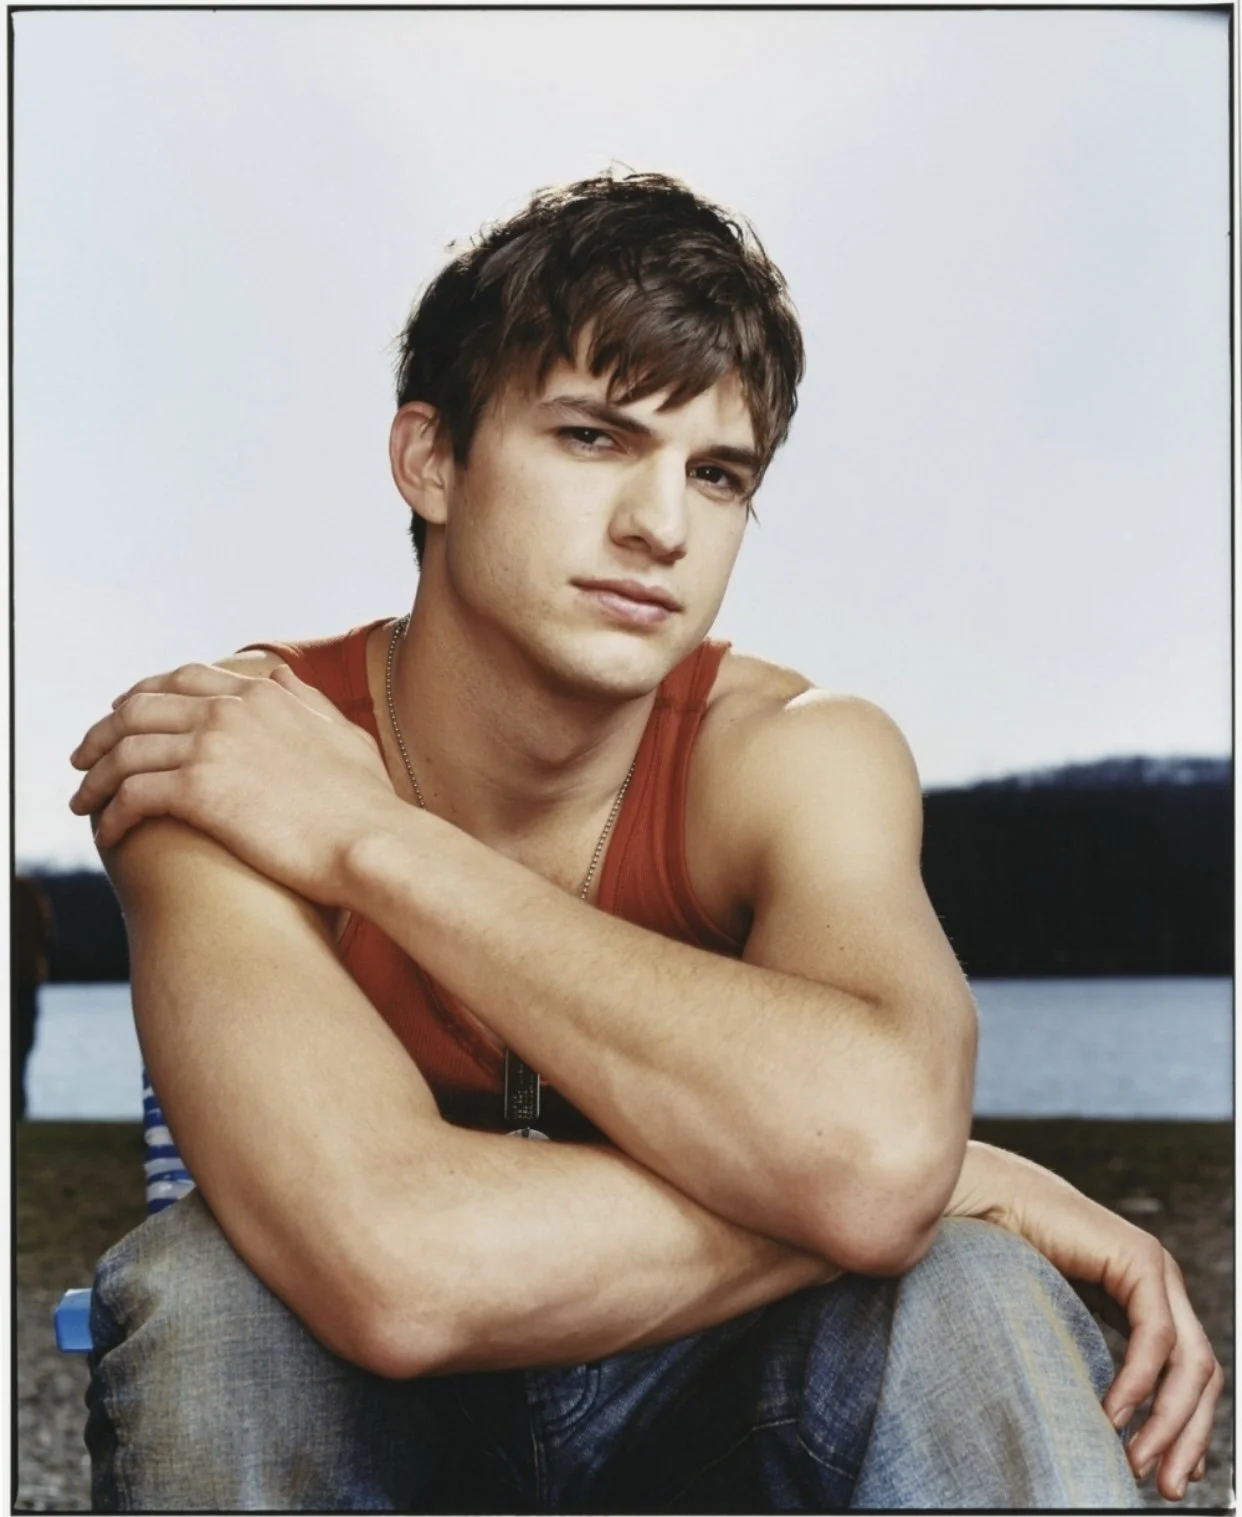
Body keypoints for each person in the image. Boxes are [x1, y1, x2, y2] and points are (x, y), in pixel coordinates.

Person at [69, 171, 1220, 1512]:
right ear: (431, 460)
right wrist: (923, 1180)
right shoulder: (232, 749)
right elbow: (395, 1267)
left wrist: (371, 839)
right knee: (207, 1298)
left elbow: (874, 1150)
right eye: (593, 438)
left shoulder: (793, 751)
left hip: (721, 1409)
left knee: (969, 1291)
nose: (660, 527)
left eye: (715, 474)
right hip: (368, 1414)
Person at [12, 873, 53, 1119]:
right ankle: (17, 1106)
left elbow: (43, 931)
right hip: (26, 980)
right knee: (21, 1046)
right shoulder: (27, 891)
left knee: (20, 1046)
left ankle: (16, 1106)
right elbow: (45, 932)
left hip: (25, 980)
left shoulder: (25, 891)